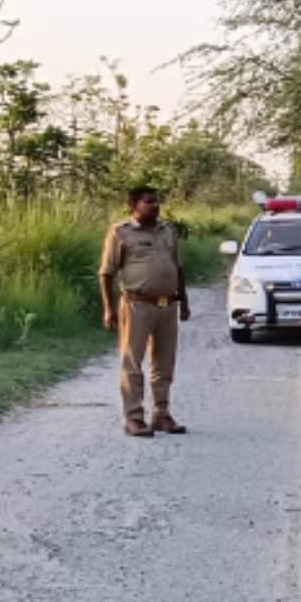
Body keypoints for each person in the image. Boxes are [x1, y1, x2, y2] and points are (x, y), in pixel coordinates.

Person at [98, 185, 189, 437]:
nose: (155, 205)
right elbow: (106, 273)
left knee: (165, 363)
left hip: (167, 305)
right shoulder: (120, 232)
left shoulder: (168, 230)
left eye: (157, 201)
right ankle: (134, 417)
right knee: (133, 362)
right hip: (136, 305)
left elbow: (177, 267)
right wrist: (108, 308)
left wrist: (184, 302)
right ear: (133, 206)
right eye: (149, 201)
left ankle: (161, 414)